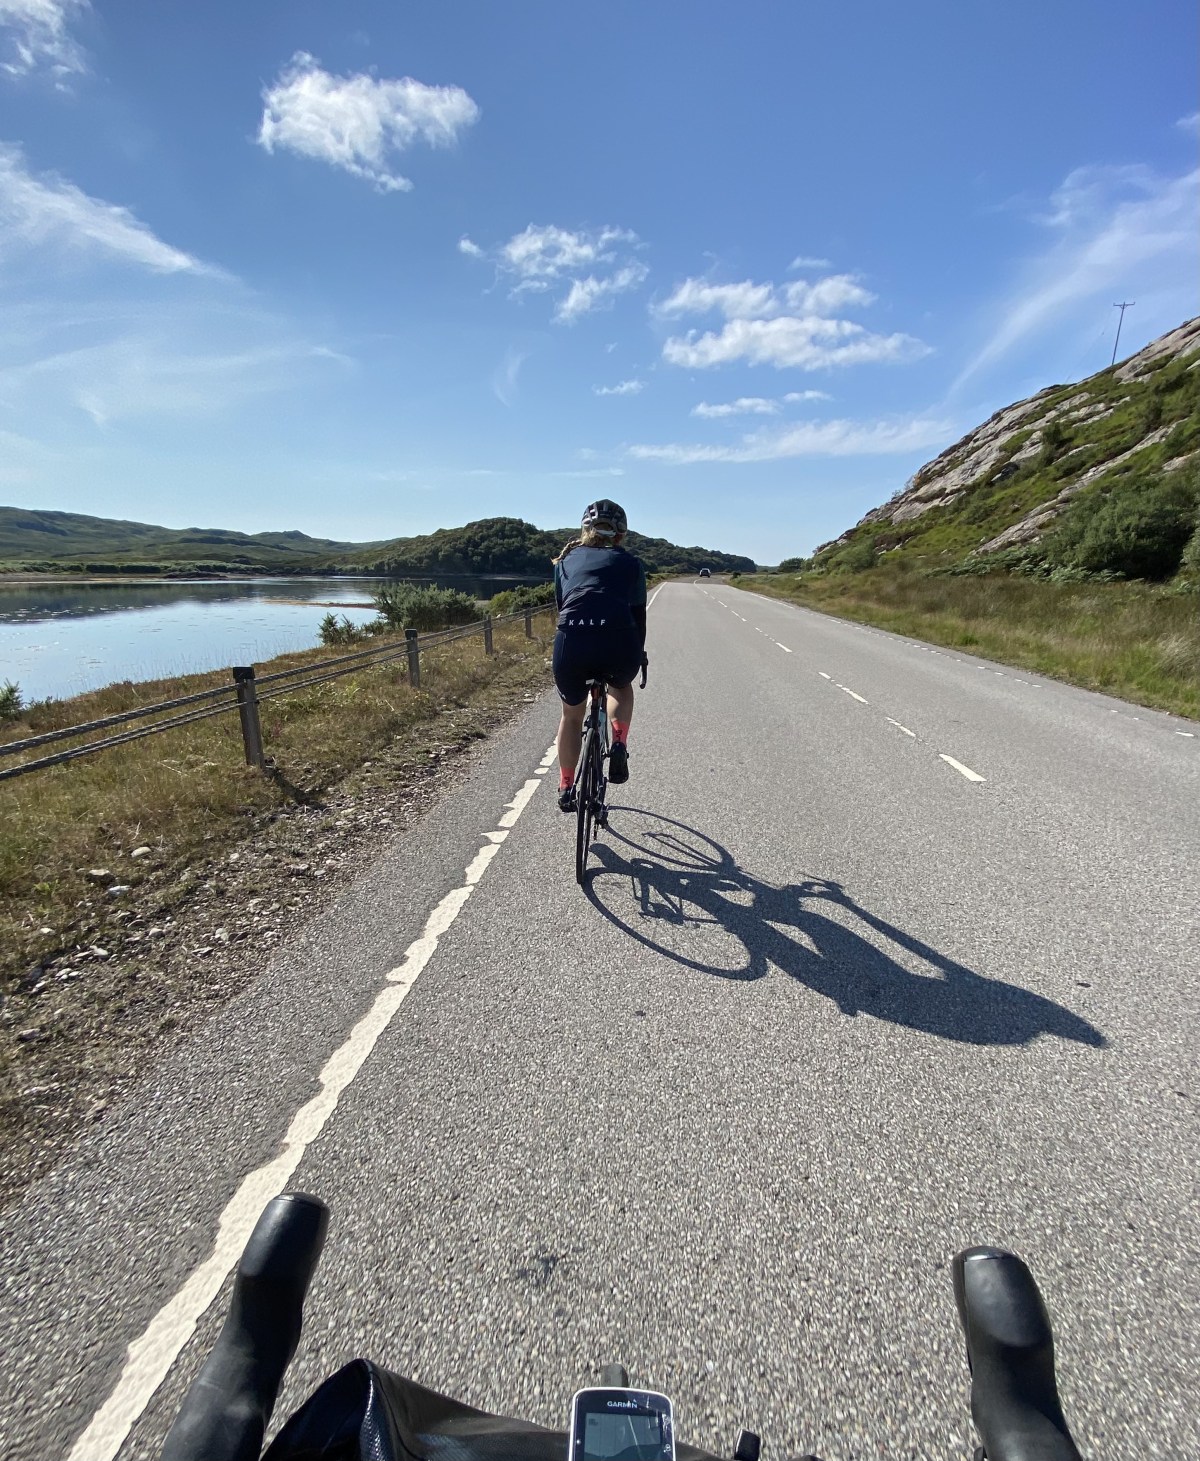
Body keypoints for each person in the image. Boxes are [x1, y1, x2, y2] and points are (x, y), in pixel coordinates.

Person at [552, 500, 647, 812]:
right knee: (621, 687)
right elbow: (638, 617)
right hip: (619, 644)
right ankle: (618, 742)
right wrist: (638, 656)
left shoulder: (564, 562)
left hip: (573, 643)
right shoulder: (631, 564)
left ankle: (567, 785)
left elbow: (561, 608)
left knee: (571, 714)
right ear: (620, 535)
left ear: (585, 529)